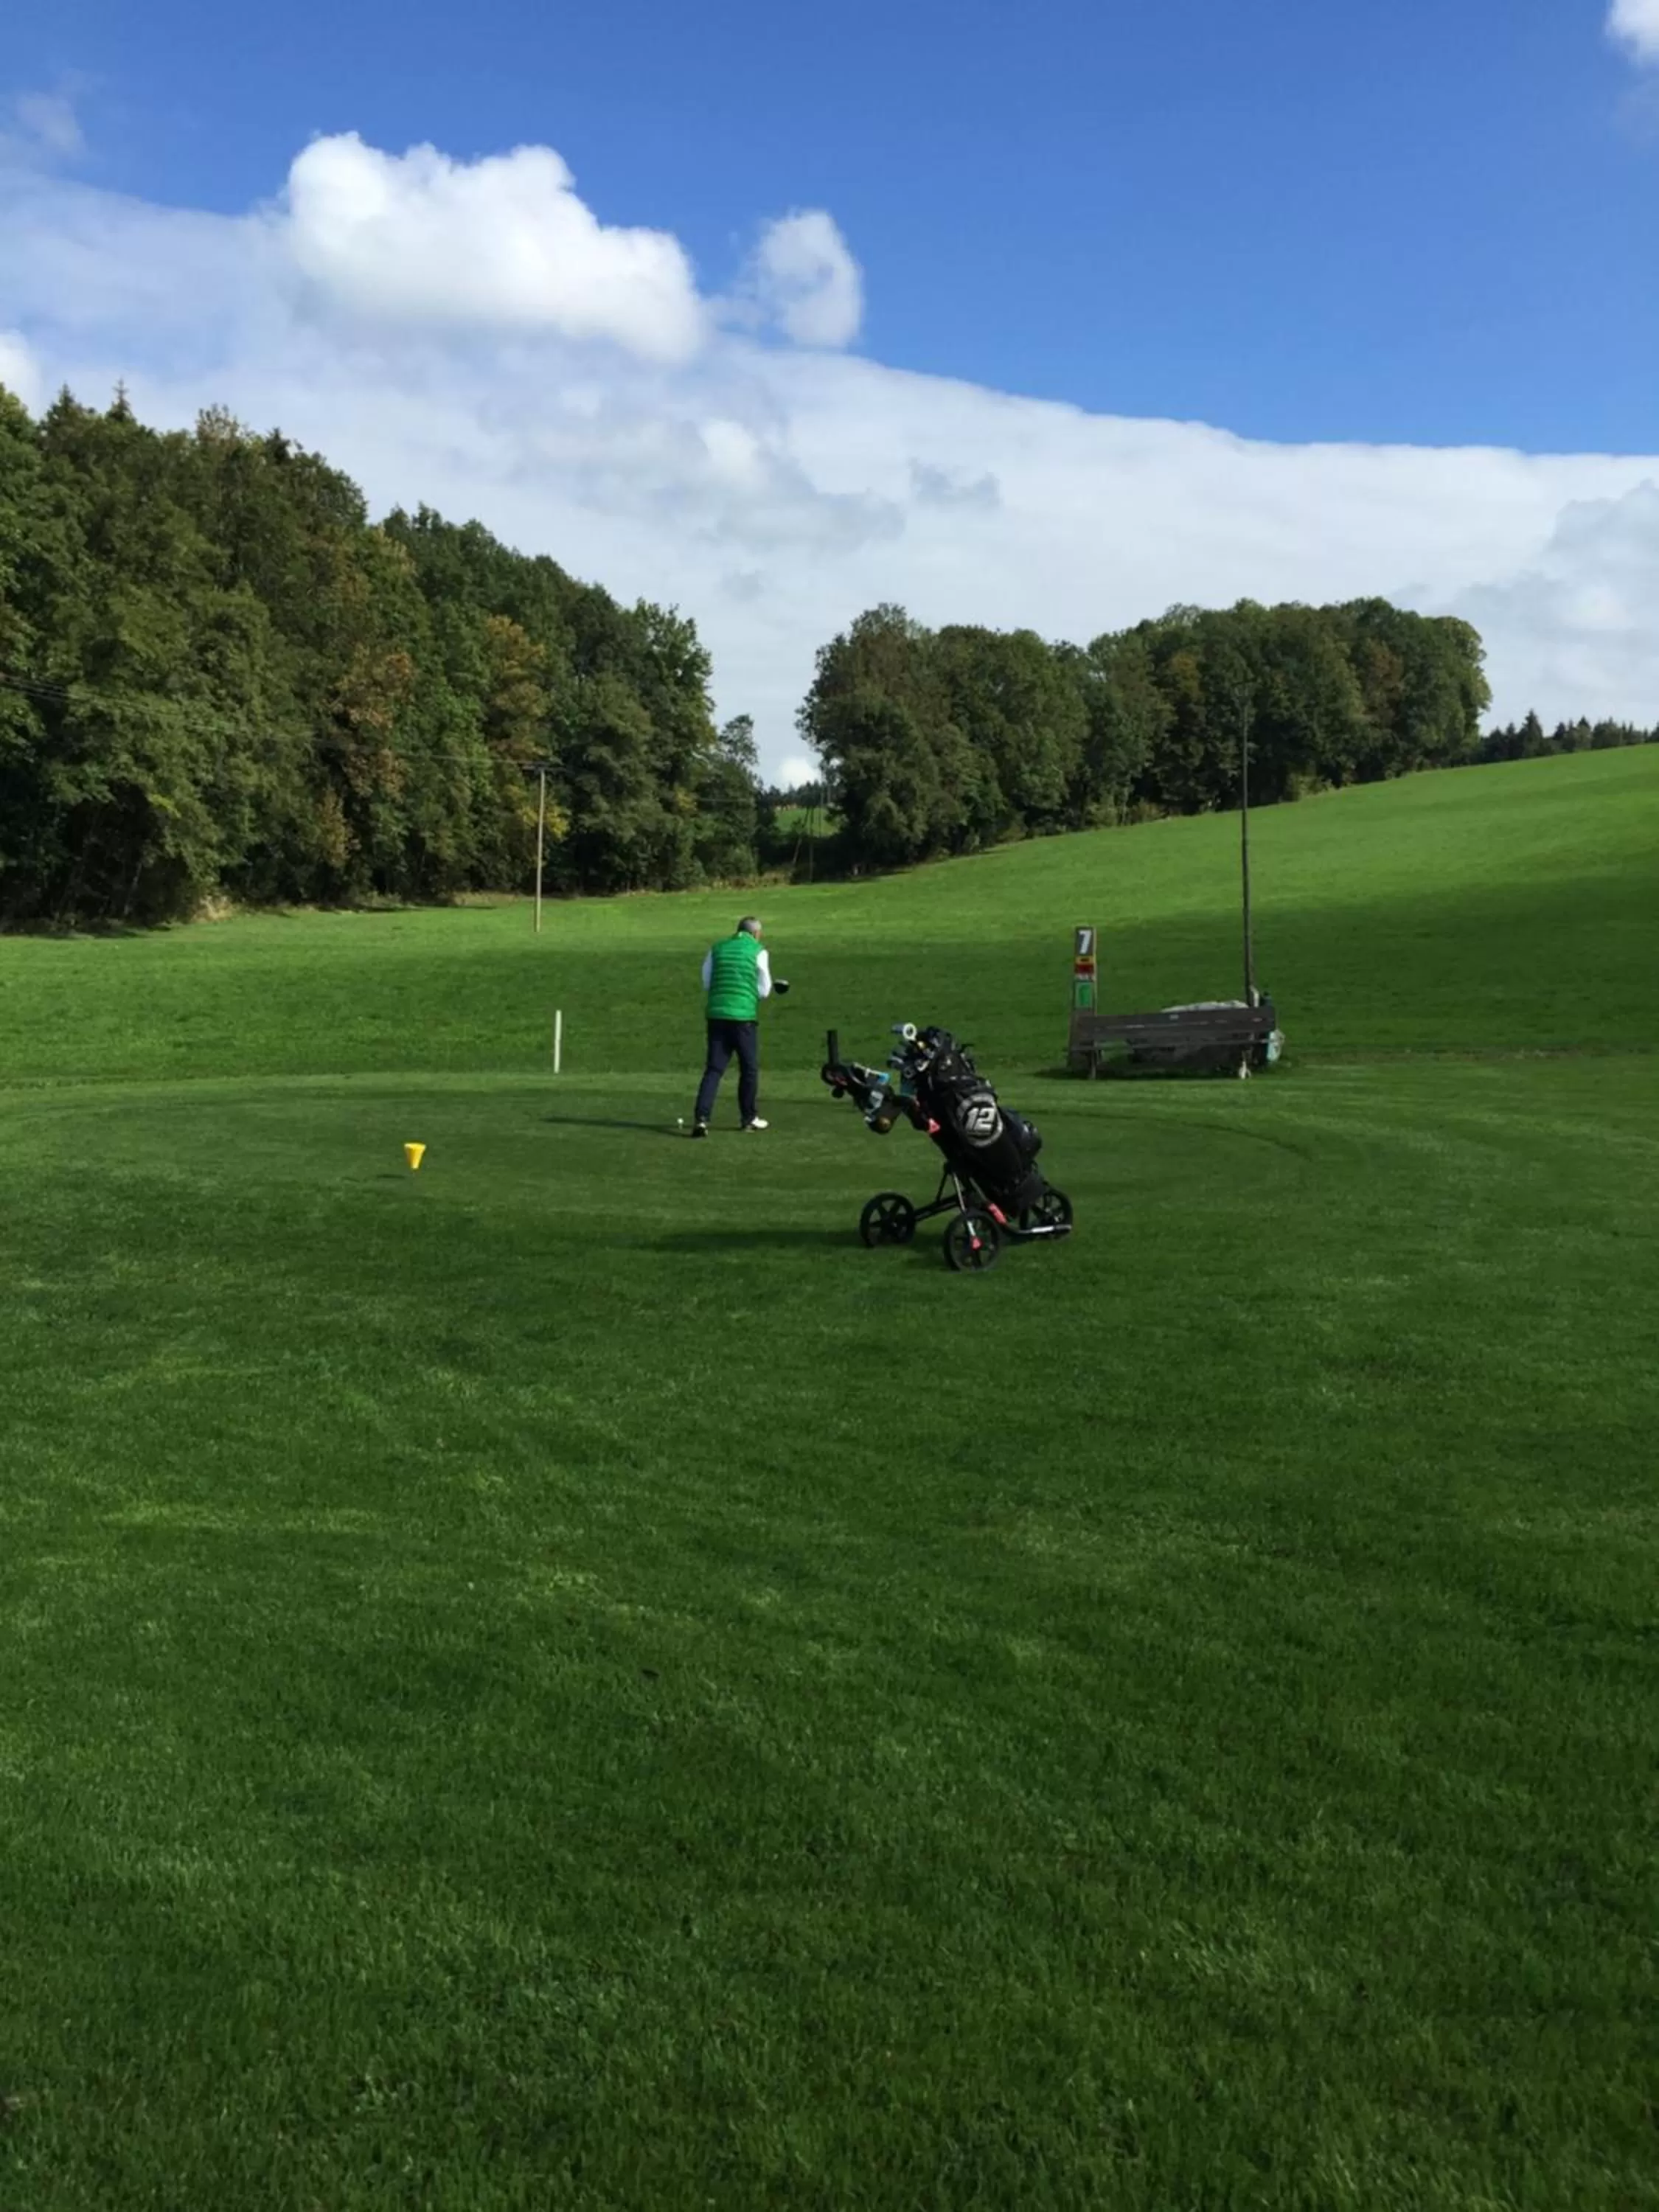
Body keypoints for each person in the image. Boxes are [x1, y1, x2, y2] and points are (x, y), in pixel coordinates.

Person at [692, 916, 788, 1136]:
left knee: (714, 1069)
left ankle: (701, 1119)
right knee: (749, 1068)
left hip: (716, 1015)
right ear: (756, 934)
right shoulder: (759, 951)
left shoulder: (717, 948)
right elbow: (764, 990)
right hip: (743, 1017)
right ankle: (748, 1118)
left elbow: (707, 982)